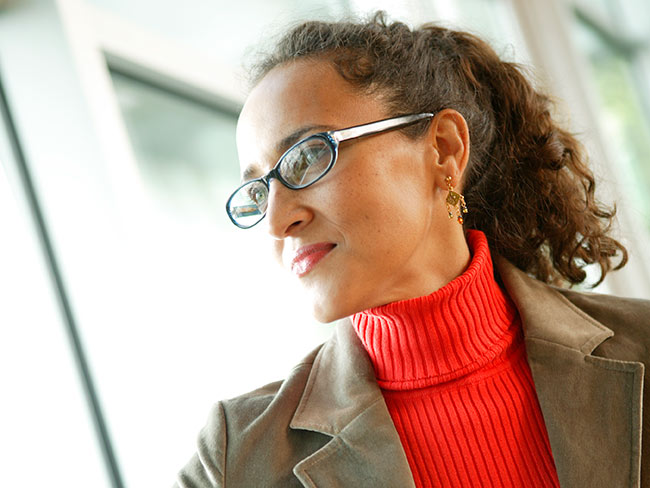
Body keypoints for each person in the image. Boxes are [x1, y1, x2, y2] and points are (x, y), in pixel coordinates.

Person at [174, 12, 650, 488]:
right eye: (258, 190)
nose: (277, 221)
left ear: (443, 149)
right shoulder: (235, 459)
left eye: (309, 156)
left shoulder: (643, 344)